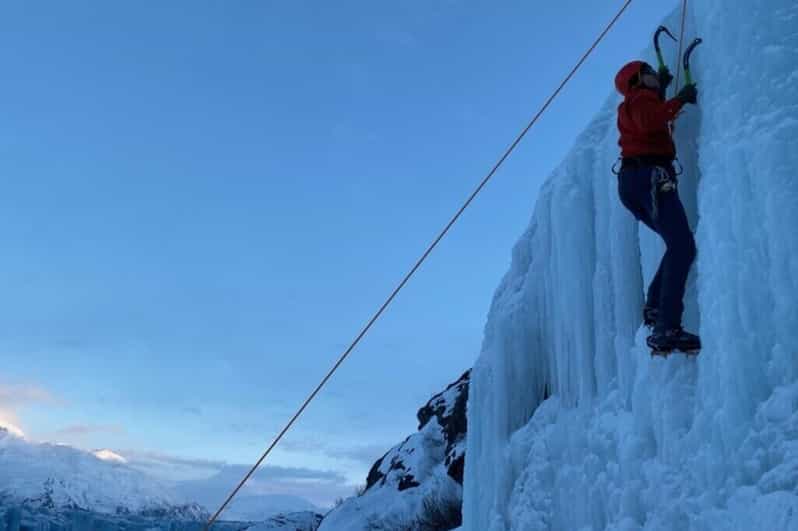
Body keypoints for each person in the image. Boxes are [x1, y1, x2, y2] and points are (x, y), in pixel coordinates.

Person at [614, 60, 701, 354]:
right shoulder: (639, 99)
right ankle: (667, 327)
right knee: (683, 247)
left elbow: (647, 121)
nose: (654, 74)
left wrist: (662, 90)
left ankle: (655, 308)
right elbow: (650, 121)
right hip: (649, 177)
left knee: (677, 245)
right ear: (638, 80)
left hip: (635, 182)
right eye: (649, 72)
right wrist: (680, 99)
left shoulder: (639, 101)